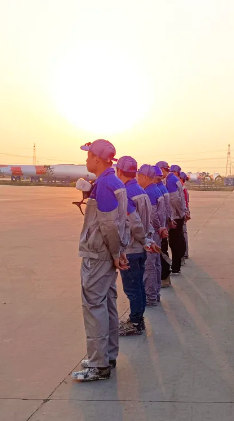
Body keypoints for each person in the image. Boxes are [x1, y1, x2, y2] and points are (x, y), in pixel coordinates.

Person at [72, 139, 128, 382]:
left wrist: (115, 255)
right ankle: (107, 356)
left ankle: (98, 365)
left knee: (94, 307)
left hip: (99, 256)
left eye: (88, 155)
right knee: (107, 304)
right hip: (108, 254)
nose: (86, 159)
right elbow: (116, 223)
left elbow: (108, 226)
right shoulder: (112, 181)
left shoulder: (105, 183)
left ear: (97, 158)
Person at [115, 156, 160, 336]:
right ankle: (138, 320)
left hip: (132, 249)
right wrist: (147, 240)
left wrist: (142, 239)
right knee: (139, 286)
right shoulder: (141, 191)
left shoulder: (126, 194)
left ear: (119, 171)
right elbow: (146, 221)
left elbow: (135, 223)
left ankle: (134, 322)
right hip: (140, 248)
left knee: (132, 288)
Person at [138, 164, 168, 305]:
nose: (137, 178)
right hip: (158, 232)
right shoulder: (156, 190)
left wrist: (158, 227)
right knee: (155, 264)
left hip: (152, 233)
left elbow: (153, 216)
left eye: (139, 176)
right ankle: (155, 294)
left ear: (145, 177)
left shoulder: (149, 193)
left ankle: (150, 297)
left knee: (149, 265)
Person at [166, 164, 188, 275]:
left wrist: (180, 213)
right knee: (179, 239)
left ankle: (175, 266)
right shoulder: (175, 180)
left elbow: (175, 199)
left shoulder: (170, 180)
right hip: (178, 215)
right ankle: (178, 263)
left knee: (174, 242)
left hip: (175, 216)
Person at [155, 162, 172, 287]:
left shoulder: (157, 189)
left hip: (160, 227)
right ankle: (165, 277)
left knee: (161, 252)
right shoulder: (162, 187)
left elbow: (156, 213)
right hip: (164, 225)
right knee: (163, 251)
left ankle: (164, 277)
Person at [180, 171, 190, 262]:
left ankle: (183, 254)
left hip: (182, 213)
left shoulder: (182, 189)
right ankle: (184, 253)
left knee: (182, 234)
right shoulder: (184, 189)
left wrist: (185, 212)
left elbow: (184, 203)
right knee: (183, 233)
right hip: (184, 212)